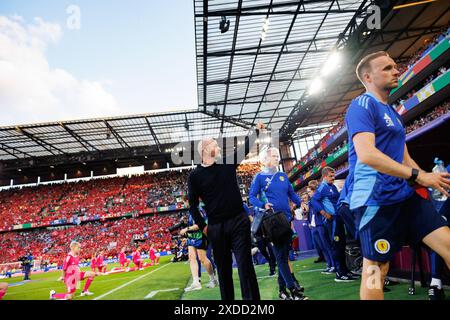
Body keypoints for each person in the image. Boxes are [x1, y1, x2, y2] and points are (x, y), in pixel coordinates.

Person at [346, 51, 450, 300]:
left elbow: (405, 159)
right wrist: (418, 175)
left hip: (404, 198)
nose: (396, 71)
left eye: (395, 66)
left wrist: (429, 177)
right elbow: (366, 154)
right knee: (376, 270)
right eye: (387, 68)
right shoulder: (361, 105)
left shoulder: (392, 113)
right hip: (375, 201)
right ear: (368, 77)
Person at [187, 123, 265, 300]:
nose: (218, 147)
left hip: (238, 221)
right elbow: (192, 205)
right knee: (223, 271)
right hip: (216, 227)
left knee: (245, 266)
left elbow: (244, 147)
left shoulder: (227, 162)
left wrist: (256, 131)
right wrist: (203, 226)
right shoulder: (194, 176)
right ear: (206, 150)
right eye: (214, 144)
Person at [249, 147, 307, 300]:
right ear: (266, 159)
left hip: (287, 219)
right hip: (272, 222)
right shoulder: (259, 177)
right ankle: (292, 290)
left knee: (283, 255)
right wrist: (263, 206)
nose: (277, 158)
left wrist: (302, 202)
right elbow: (252, 197)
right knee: (281, 256)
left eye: (277, 156)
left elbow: (292, 194)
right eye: (274, 156)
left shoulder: (282, 176)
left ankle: (282, 291)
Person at [313, 167, 357, 282]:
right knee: (337, 246)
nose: (334, 178)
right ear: (325, 176)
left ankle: (345, 270)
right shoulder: (322, 187)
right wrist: (324, 213)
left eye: (334, 176)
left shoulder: (332, 186)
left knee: (342, 245)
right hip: (332, 221)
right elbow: (313, 201)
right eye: (331, 176)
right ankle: (339, 273)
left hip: (338, 219)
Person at [180, 212, 218, 291]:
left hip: (200, 236)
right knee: (191, 257)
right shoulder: (190, 211)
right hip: (191, 236)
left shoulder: (198, 210)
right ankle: (196, 282)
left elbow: (200, 225)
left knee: (202, 259)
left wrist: (186, 229)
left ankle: (213, 280)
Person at [307, 180, 336, 275]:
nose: (308, 194)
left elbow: (320, 211)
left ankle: (334, 265)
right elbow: (310, 213)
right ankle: (329, 264)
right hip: (314, 227)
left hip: (320, 225)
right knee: (321, 247)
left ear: (314, 191)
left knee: (327, 245)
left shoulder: (318, 200)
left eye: (309, 192)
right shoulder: (311, 201)